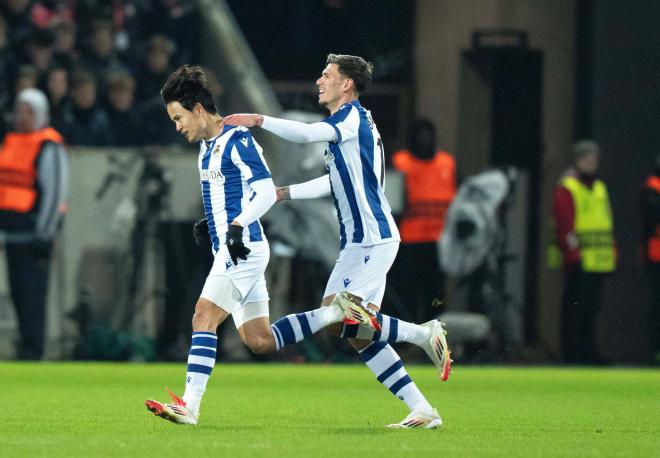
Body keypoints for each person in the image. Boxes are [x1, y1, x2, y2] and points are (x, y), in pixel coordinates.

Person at [144, 64, 385, 426]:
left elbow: (262, 190)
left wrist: (238, 225)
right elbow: (230, 194)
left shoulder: (237, 139)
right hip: (232, 245)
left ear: (197, 110)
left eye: (179, 117)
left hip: (244, 248)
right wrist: (212, 223)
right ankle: (334, 313)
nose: (177, 126)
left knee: (202, 316)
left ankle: (190, 405)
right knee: (259, 340)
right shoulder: (206, 148)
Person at [224, 53, 451, 429]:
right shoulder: (349, 126)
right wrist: (285, 193)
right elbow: (336, 181)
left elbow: (307, 134)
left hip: (372, 239)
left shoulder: (349, 118)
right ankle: (423, 410)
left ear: (347, 84)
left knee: (340, 314)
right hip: (359, 243)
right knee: (354, 332)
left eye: (326, 75)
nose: (319, 81)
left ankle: (424, 333)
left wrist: (260, 120)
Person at [0, 88, 68, 359]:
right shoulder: (10, 141)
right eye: (20, 110)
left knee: (33, 296)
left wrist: (46, 231)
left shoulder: (48, 144)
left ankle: (33, 348)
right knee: (18, 294)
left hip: (34, 235)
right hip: (12, 233)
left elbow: (54, 192)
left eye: (29, 111)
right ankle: (25, 344)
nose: (22, 116)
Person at [551, 139, 616, 364]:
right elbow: (565, 224)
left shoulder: (598, 187)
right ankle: (572, 351)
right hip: (579, 259)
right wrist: (573, 254)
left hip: (599, 259)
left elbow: (606, 222)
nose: (592, 163)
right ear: (578, 160)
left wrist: (612, 252)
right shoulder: (568, 187)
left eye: (594, 159)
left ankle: (587, 350)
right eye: (588, 159)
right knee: (575, 308)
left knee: (591, 309)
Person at [391, 119, 456, 323]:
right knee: (406, 290)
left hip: (438, 241)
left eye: (429, 135)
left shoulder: (447, 164)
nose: (426, 140)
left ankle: (434, 335)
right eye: (421, 135)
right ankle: (405, 338)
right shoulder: (401, 162)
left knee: (435, 293)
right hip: (408, 240)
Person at [640, 153, 660, 364]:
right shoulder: (653, 187)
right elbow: (652, 212)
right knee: (657, 306)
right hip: (657, 256)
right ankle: (656, 349)